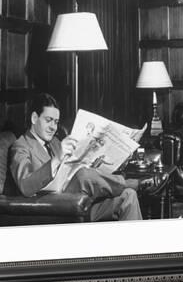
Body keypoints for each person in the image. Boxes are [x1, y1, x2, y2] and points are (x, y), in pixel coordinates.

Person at [9, 93, 145, 222]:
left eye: (56, 122)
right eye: (48, 120)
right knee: (83, 174)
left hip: (79, 201)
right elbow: (25, 185)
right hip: (52, 206)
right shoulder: (20, 146)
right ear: (34, 118)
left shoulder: (54, 142)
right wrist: (57, 159)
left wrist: (120, 157)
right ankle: (132, 183)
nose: (53, 127)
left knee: (128, 196)